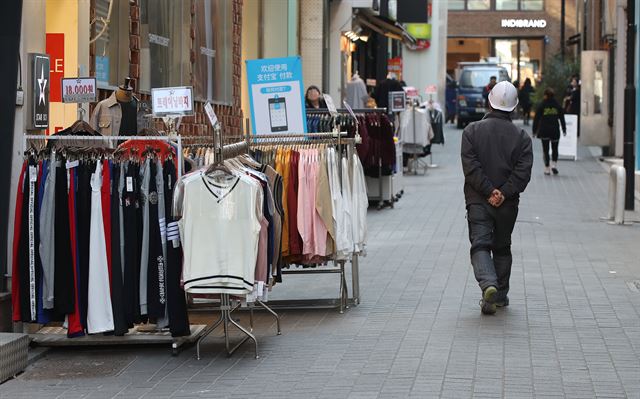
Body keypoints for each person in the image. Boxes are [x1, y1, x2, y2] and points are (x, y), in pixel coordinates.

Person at [461, 81, 533, 315]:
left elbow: (470, 167)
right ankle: (500, 295)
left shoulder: (471, 131)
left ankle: (488, 284)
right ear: (514, 107)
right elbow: (523, 173)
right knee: (502, 247)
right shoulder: (522, 137)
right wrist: (503, 192)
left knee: (480, 244)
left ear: (489, 101)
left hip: (478, 199)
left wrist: (488, 190)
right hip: (507, 204)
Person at [533, 88, 566, 175]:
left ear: (546, 95)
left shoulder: (542, 105)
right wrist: (564, 129)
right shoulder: (557, 105)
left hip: (545, 130)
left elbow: (536, 119)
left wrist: (534, 131)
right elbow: (562, 118)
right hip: (555, 130)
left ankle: (547, 167)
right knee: (555, 148)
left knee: (546, 150)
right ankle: (554, 164)